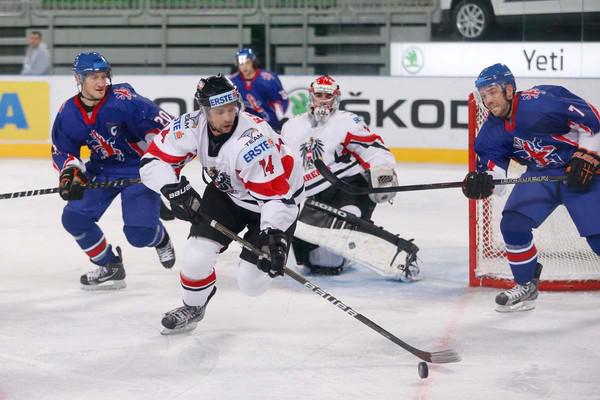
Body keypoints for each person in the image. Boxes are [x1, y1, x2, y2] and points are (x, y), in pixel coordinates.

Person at [140, 74, 304, 334]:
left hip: (274, 203)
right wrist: (171, 188)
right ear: (204, 111)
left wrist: (275, 235)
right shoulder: (191, 126)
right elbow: (152, 162)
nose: (228, 117)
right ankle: (194, 306)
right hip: (229, 192)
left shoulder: (251, 143)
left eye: (232, 108)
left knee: (251, 284)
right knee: (195, 256)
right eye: (219, 111)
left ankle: (263, 256)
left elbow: (275, 198)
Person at [463, 63, 600, 312]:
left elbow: (592, 118)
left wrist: (588, 154)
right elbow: (495, 175)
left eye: (492, 92)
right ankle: (526, 285)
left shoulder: (541, 103)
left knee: (598, 238)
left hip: (578, 172)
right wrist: (483, 182)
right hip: (541, 175)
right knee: (513, 224)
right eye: (483, 95)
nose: (488, 100)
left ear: (509, 89)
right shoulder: (489, 133)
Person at [51, 52, 176, 290]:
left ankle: (161, 237)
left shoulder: (124, 100)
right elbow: (62, 148)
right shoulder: (68, 112)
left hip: (138, 170)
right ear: (79, 79)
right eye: (93, 77)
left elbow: (167, 128)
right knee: (74, 218)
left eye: (103, 76)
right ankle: (110, 266)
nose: (101, 83)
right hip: (102, 169)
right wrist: (70, 171)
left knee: (139, 235)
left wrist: (159, 162)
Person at [281, 75, 419, 279]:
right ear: (311, 97)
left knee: (345, 225)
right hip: (312, 197)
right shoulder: (291, 127)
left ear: (335, 98)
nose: (322, 100)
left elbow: (374, 148)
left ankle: (377, 248)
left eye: (327, 96)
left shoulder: (347, 122)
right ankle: (344, 249)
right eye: (318, 95)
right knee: (318, 264)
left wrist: (383, 174)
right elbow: (285, 164)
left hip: (347, 188)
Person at [229, 47, 289, 132]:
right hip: (246, 128)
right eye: (241, 64)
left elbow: (280, 100)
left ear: (253, 62)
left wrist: (281, 118)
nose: (244, 67)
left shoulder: (269, 78)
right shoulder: (232, 81)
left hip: (271, 126)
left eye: (247, 63)